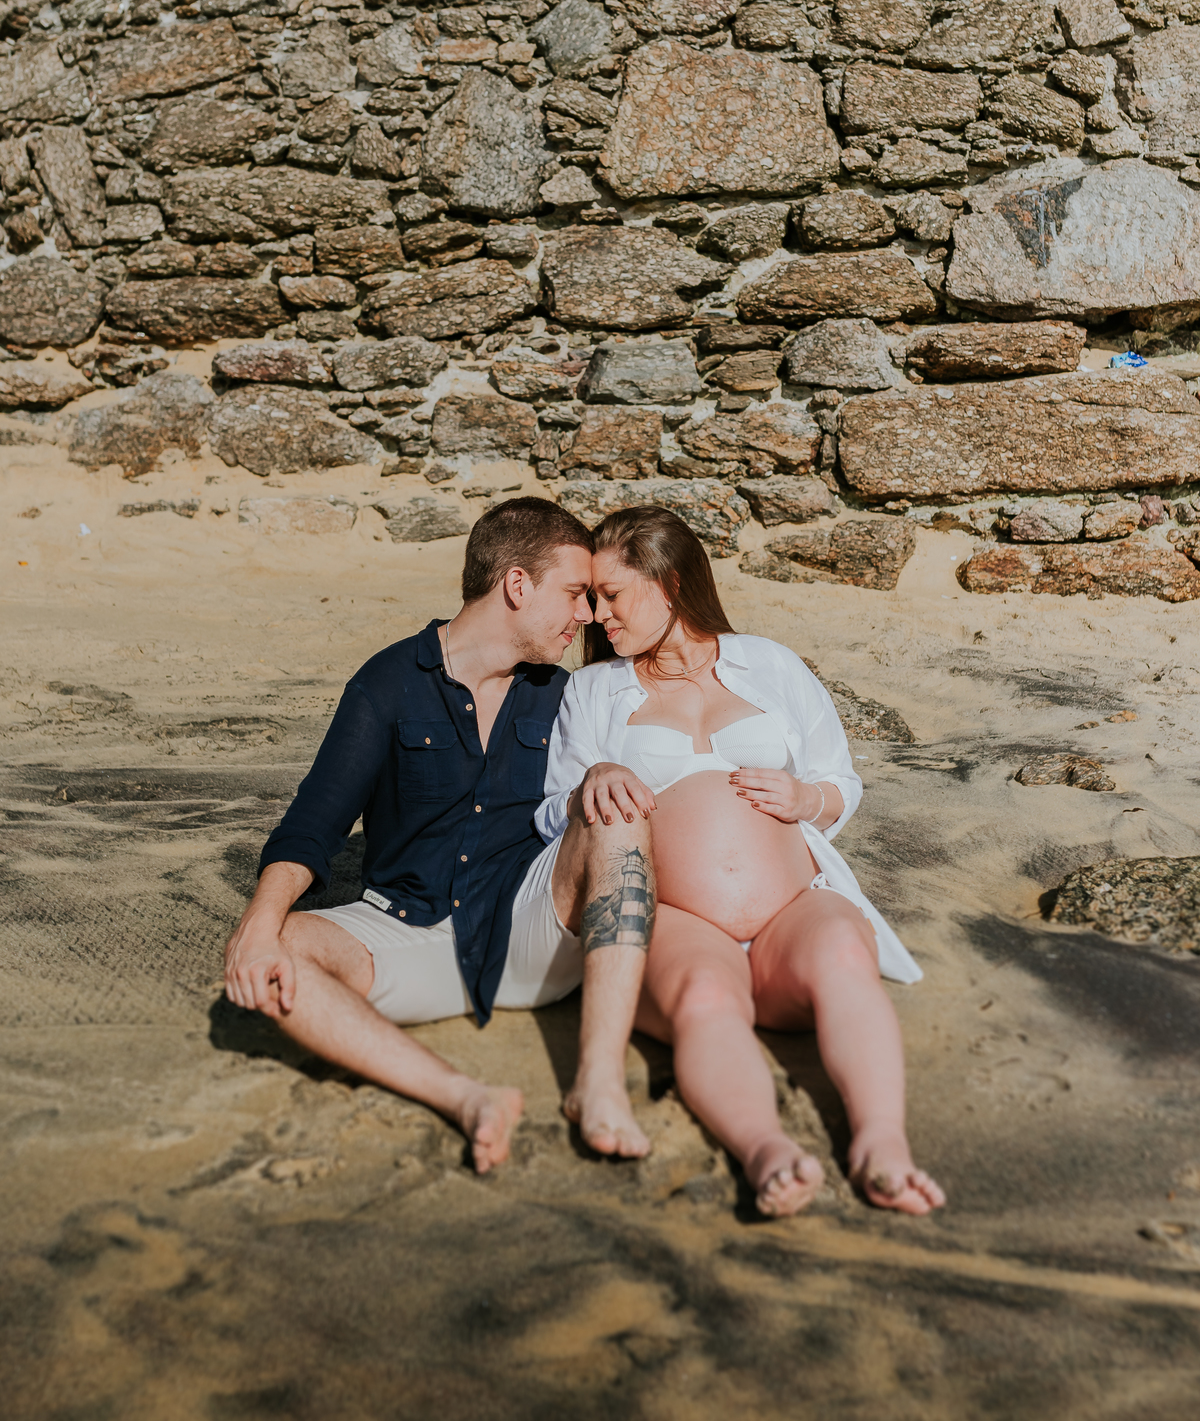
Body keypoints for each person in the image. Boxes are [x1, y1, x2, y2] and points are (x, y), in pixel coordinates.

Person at [224, 497, 655, 1175]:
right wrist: (256, 927)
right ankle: (466, 1098)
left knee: (617, 805)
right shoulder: (388, 684)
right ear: (517, 584)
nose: (588, 616)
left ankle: (597, 1084)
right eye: (574, 594)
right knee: (279, 949)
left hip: (529, 929)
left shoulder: (562, 693)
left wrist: (599, 772)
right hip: (404, 931)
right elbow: (313, 825)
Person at [536, 506, 945, 1220]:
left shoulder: (771, 664)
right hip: (677, 919)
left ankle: (884, 1143)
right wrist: (587, 786)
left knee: (845, 955)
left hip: (795, 904)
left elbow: (842, 782)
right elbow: (549, 817)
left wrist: (804, 795)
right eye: (593, 599)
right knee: (704, 1000)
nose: (598, 616)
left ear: (669, 583)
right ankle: (764, 1150)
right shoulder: (593, 692)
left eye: (613, 595)